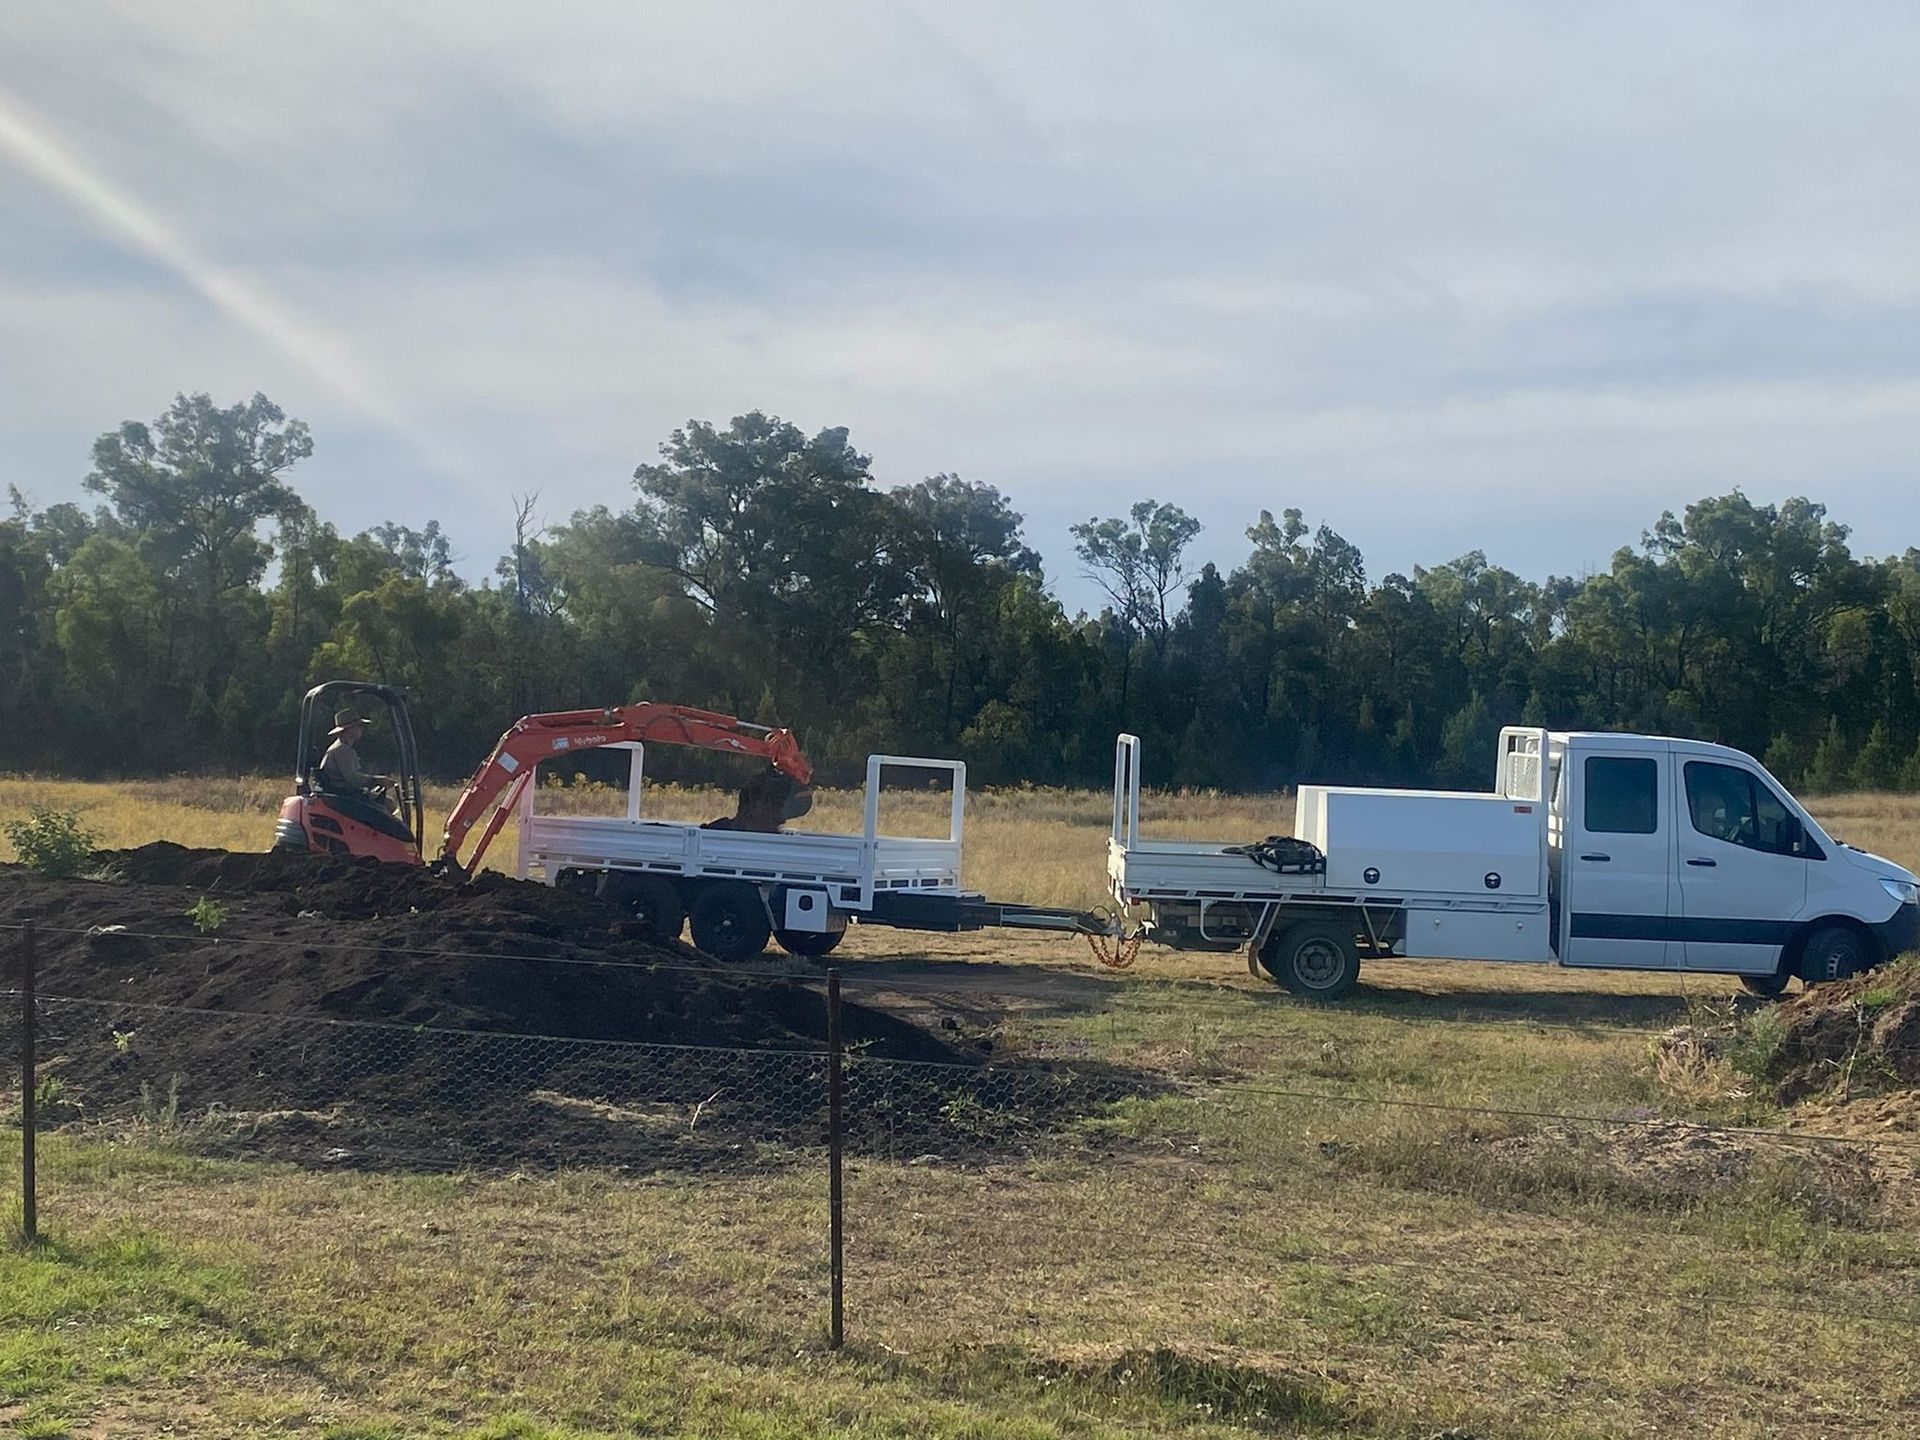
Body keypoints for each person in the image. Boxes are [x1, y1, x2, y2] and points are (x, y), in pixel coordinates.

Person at [319, 707, 391, 800]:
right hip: (344, 797)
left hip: (344, 794)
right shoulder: (342, 750)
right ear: (348, 729)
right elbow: (353, 778)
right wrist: (378, 780)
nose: (362, 728)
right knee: (388, 804)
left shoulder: (343, 748)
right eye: (358, 726)